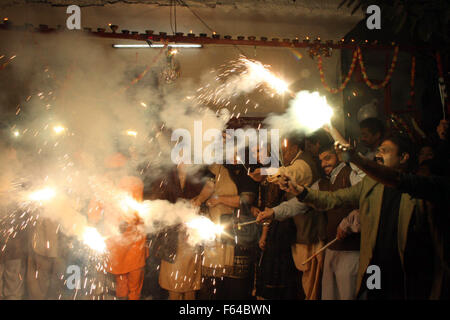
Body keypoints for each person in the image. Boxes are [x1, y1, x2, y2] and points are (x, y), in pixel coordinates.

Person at [260, 135, 439, 300]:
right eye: (378, 150)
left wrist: (350, 222)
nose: (378, 154)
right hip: (375, 267)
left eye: (385, 151)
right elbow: (333, 198)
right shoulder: (372, 185)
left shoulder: (421, 190)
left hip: (405, 270)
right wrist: (297, 191)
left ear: (404, 157)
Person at [257, 143, 364, 300]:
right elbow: (302, 202)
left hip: (352, 250)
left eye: (328, 158)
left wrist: (348, 223)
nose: (324, 164)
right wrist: (274, 212)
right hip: (332, 249)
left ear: (339, 157)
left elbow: (365, 205)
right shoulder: (322, 183)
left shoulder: (351, 175)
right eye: (321, 160)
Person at [198, 150, 259, 300]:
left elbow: (245, 200)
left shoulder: (248, 171)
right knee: (212, 288)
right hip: (214, 236)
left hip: (238, 237)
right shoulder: (214, 169)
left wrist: (219, 199)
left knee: (235, 290)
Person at [88, 153, 148, 300]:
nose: (113, 173)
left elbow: (136, 208)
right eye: (110, 170)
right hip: (114, 241)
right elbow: (94, 209)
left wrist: (126, 221)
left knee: (134, 283)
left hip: (134, 240)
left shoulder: (134, 183)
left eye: (118, 169)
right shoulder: (102, 183)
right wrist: (91, 224)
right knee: (120, 282)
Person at [150, 163, 213, 300]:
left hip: (191, 237)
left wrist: (199, 199)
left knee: (190, 284)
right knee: (173, 283)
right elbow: (156, 201)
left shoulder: (198, 173)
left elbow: (210, 184)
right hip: (170, 237)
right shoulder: (167, 175)